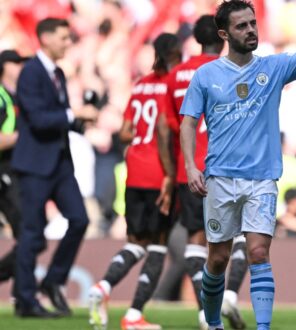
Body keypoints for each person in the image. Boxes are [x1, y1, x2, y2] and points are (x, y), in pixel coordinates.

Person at [179, 1, 296, 329]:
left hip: (262, 178)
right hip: (220, 178)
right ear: (224, 34)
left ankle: (263, 327)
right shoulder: (206, 75)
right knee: (217, 259)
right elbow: (188, 123)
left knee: (259, 253)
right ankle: (212, 322)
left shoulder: (273, 67)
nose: (251, 30)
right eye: (241, 26)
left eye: (252, 23)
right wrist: (192, 167)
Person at [88, 33, 180, 330]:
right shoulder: (171, 85)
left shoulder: (140, 85)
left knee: (136, 243)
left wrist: (143, 133)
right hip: (159, 173)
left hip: (134, 172)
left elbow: (125, 132)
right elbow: (167, 129)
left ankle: (101, 286)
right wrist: (169, 174)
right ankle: (133, 315)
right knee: (157, 247)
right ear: (175, 54)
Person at [163, 15, 248, 329]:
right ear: (224, 37)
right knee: (242, 234)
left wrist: (174, 172)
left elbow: (170, 125)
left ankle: (204, 310)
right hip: (228, 165)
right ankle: (231, 295)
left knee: (197, 240)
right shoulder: (232, 69)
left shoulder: (176, 75)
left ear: (195, 39)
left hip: (190, 169)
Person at [12, 17, 97, 318]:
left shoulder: (57, 72)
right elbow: (37, 118)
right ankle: (25, 300)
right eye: (63, 37)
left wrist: (79, 120)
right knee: (32, 233)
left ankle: (52, 281)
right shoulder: (31, 73)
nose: (67, 42)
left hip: (59, 162)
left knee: (79, 219)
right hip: (35, 163)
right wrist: (73, 113)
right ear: (45, 38)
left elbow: (56, 116)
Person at [0, 50, 27, 284]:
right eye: (16, 62)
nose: (21, 66)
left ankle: (23, 295)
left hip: (15, 170)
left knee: (29, 235)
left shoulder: (18, 96)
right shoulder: (1, 97)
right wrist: (28, 134)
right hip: (4, 171)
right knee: (30, 234)